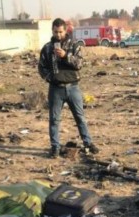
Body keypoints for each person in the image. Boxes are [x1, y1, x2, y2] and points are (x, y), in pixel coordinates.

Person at [38, 18, 99, 159]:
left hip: (73, 87)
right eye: (55, 32)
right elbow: (41, 67)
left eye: (60, 32)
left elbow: (79, 64)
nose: (58, 35)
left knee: (80, 117)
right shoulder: (47, 48)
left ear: (65, 31)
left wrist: (66, 56)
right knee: (54, 119)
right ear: (52, 31)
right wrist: (51, 78)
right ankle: (55, 147)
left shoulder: (74, 45)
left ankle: (88, 143)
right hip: (56, 89)